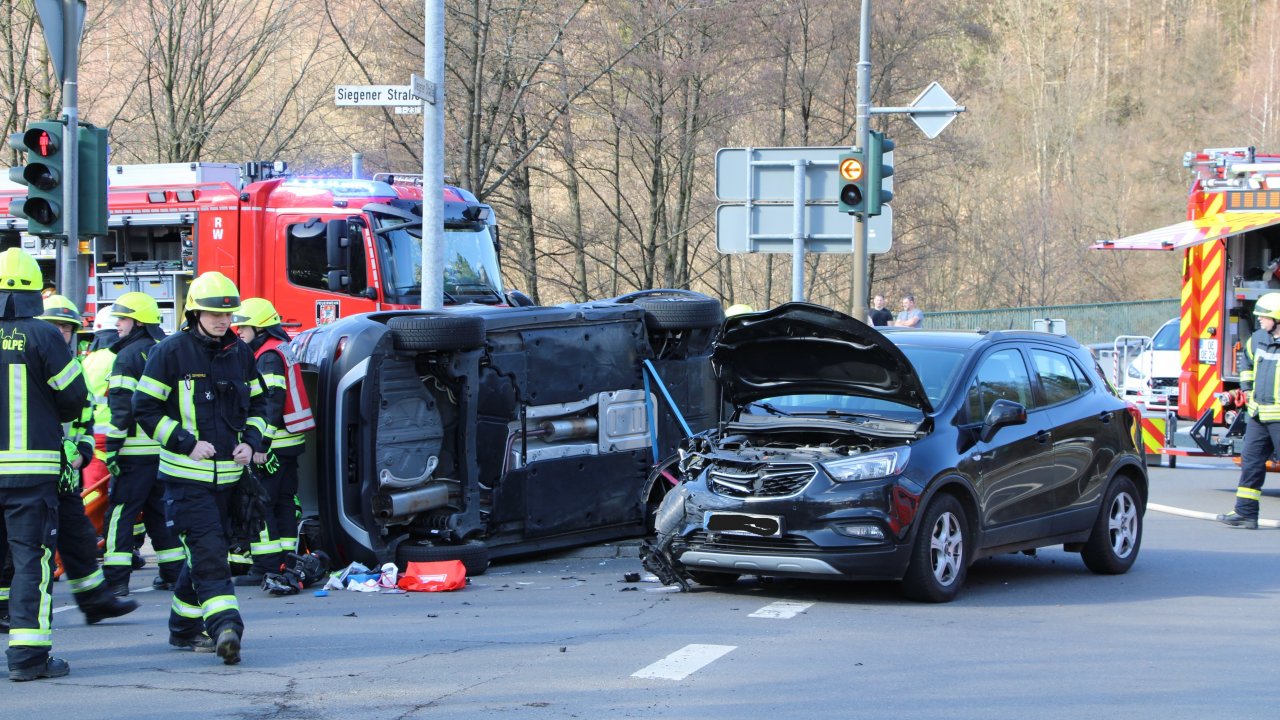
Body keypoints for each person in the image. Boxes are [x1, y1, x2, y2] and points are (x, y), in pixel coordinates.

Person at [133, 272, 269, 665]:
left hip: (230, 481)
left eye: (228, 314)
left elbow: (262, 405)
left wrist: (252, 442)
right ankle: (226, 627)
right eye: (213, 314)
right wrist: (185, 443)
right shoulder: (170, 352)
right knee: (209, 553)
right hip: (184, 480)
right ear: (194, 312)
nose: (222, 321)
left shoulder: (241, 353)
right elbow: (144, 409)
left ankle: (182, 626)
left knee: (208, 554)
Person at [0, 251, 88, 681]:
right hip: (29, 475)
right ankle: (28, 657)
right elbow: (74, 398)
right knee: (30, 561)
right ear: (36, 293)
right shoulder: (43, 335)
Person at [26, 296, 139, 626]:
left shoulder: (72, 363)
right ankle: (10, 608)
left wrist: (84, 452)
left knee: (79, 537)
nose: (62, 333)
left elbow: (85, 415)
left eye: (67, 327)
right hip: (35, 469)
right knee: (27, 544)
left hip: (65, 471)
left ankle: (95, 600)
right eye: (56, 326)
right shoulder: (26, 363)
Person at [101, 292, 184, 595]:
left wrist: (112, 448)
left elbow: (122, 408)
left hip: (134, 453)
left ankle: (115, 581)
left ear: (137, 321)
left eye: (122, 319)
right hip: (163, 451)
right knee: (161, 514)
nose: (118, 325)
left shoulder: (126, 357)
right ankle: (174, 573)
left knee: (120, 514)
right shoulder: (165, 352)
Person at [229, 298, 314, 587]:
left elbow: (270, 403)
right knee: (284, 503)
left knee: (261, 503)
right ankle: (285, 561)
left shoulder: (266, 356)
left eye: (244, 327)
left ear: (260, 327)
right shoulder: (279, 349)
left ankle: (264, 565)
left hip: (273, 444)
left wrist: (260, 445)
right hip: (289, 441)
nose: (239, 332)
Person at [1217, 292, 1280, 529]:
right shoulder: (1258, 339)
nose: (1260, 320)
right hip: (1258, 415)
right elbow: (1247, 362)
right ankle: (1245, 513)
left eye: (1264, 317)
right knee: (1251, 462)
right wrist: (1247, 389)